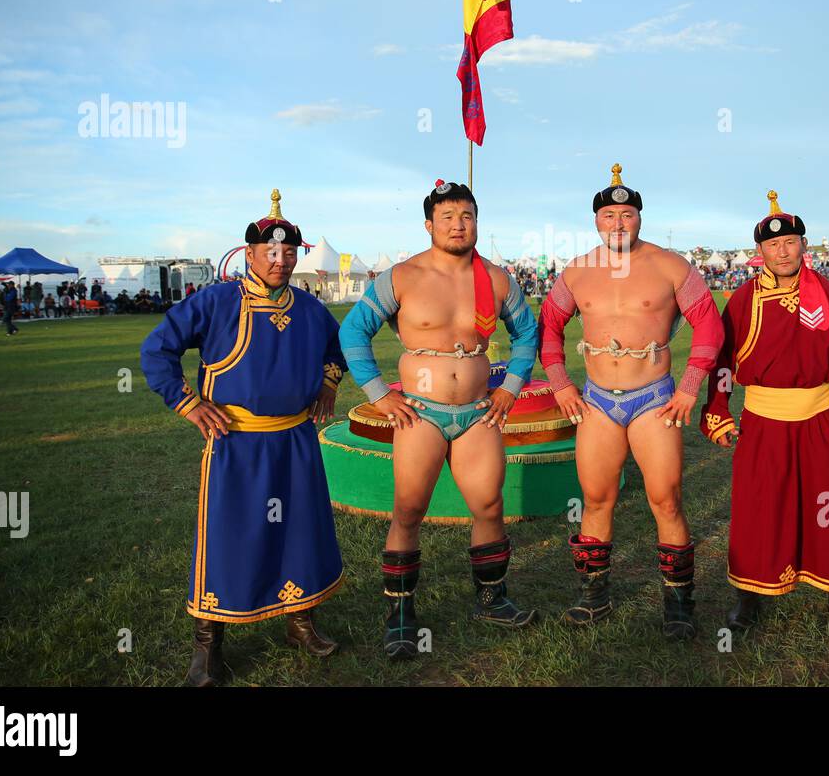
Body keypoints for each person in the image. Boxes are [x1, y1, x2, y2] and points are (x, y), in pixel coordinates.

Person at [140, 189, 347, 686]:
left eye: (289, 252)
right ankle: (208, 649)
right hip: (236, 444)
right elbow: (156, 350)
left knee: (300, 531)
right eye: (270, 252)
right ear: (250, 254)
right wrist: (188, 402)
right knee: (229, 538)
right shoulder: (216, 302)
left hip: (295, 440)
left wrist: (327, 383)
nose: (279, 260)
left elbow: (336, 349)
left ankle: (301, 622)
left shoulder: (310, 308)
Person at [339, 179, 539, 659]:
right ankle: (401, 617)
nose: (458, 225)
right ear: (429, 224)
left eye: (467, 216)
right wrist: (379, 394)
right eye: (447, 217)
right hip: (420, 414)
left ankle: (493, 600)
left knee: (489, 506)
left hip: (477, 412)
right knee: (409, 510)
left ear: (477, 222)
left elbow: (527, 333)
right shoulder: (402, 277)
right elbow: (353, 332)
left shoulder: (495, 278)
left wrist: (511, 387)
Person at [538, 164, 723, 640]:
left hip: (655, 399)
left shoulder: (671, 265)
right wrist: (560, 383)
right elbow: (548, 329)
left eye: (627, 215)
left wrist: (688, 387)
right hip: (598, 401)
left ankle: (679, 606)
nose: (618, 223)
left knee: (667, 501)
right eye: (608, 215)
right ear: (596, 221)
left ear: (640, 218)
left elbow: (710, 326)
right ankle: (594, 596)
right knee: (597, 500)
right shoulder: (577, 272)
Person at [702, 191, 829, 635]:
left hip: (820, 417)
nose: (782, 252)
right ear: (759, 251)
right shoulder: (743, 301)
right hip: (763, 422)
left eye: (790, 243)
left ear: (803, 245)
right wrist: (719, 410)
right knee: (760, 508)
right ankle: (750, 593)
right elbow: (723, 362)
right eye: (772, 245)